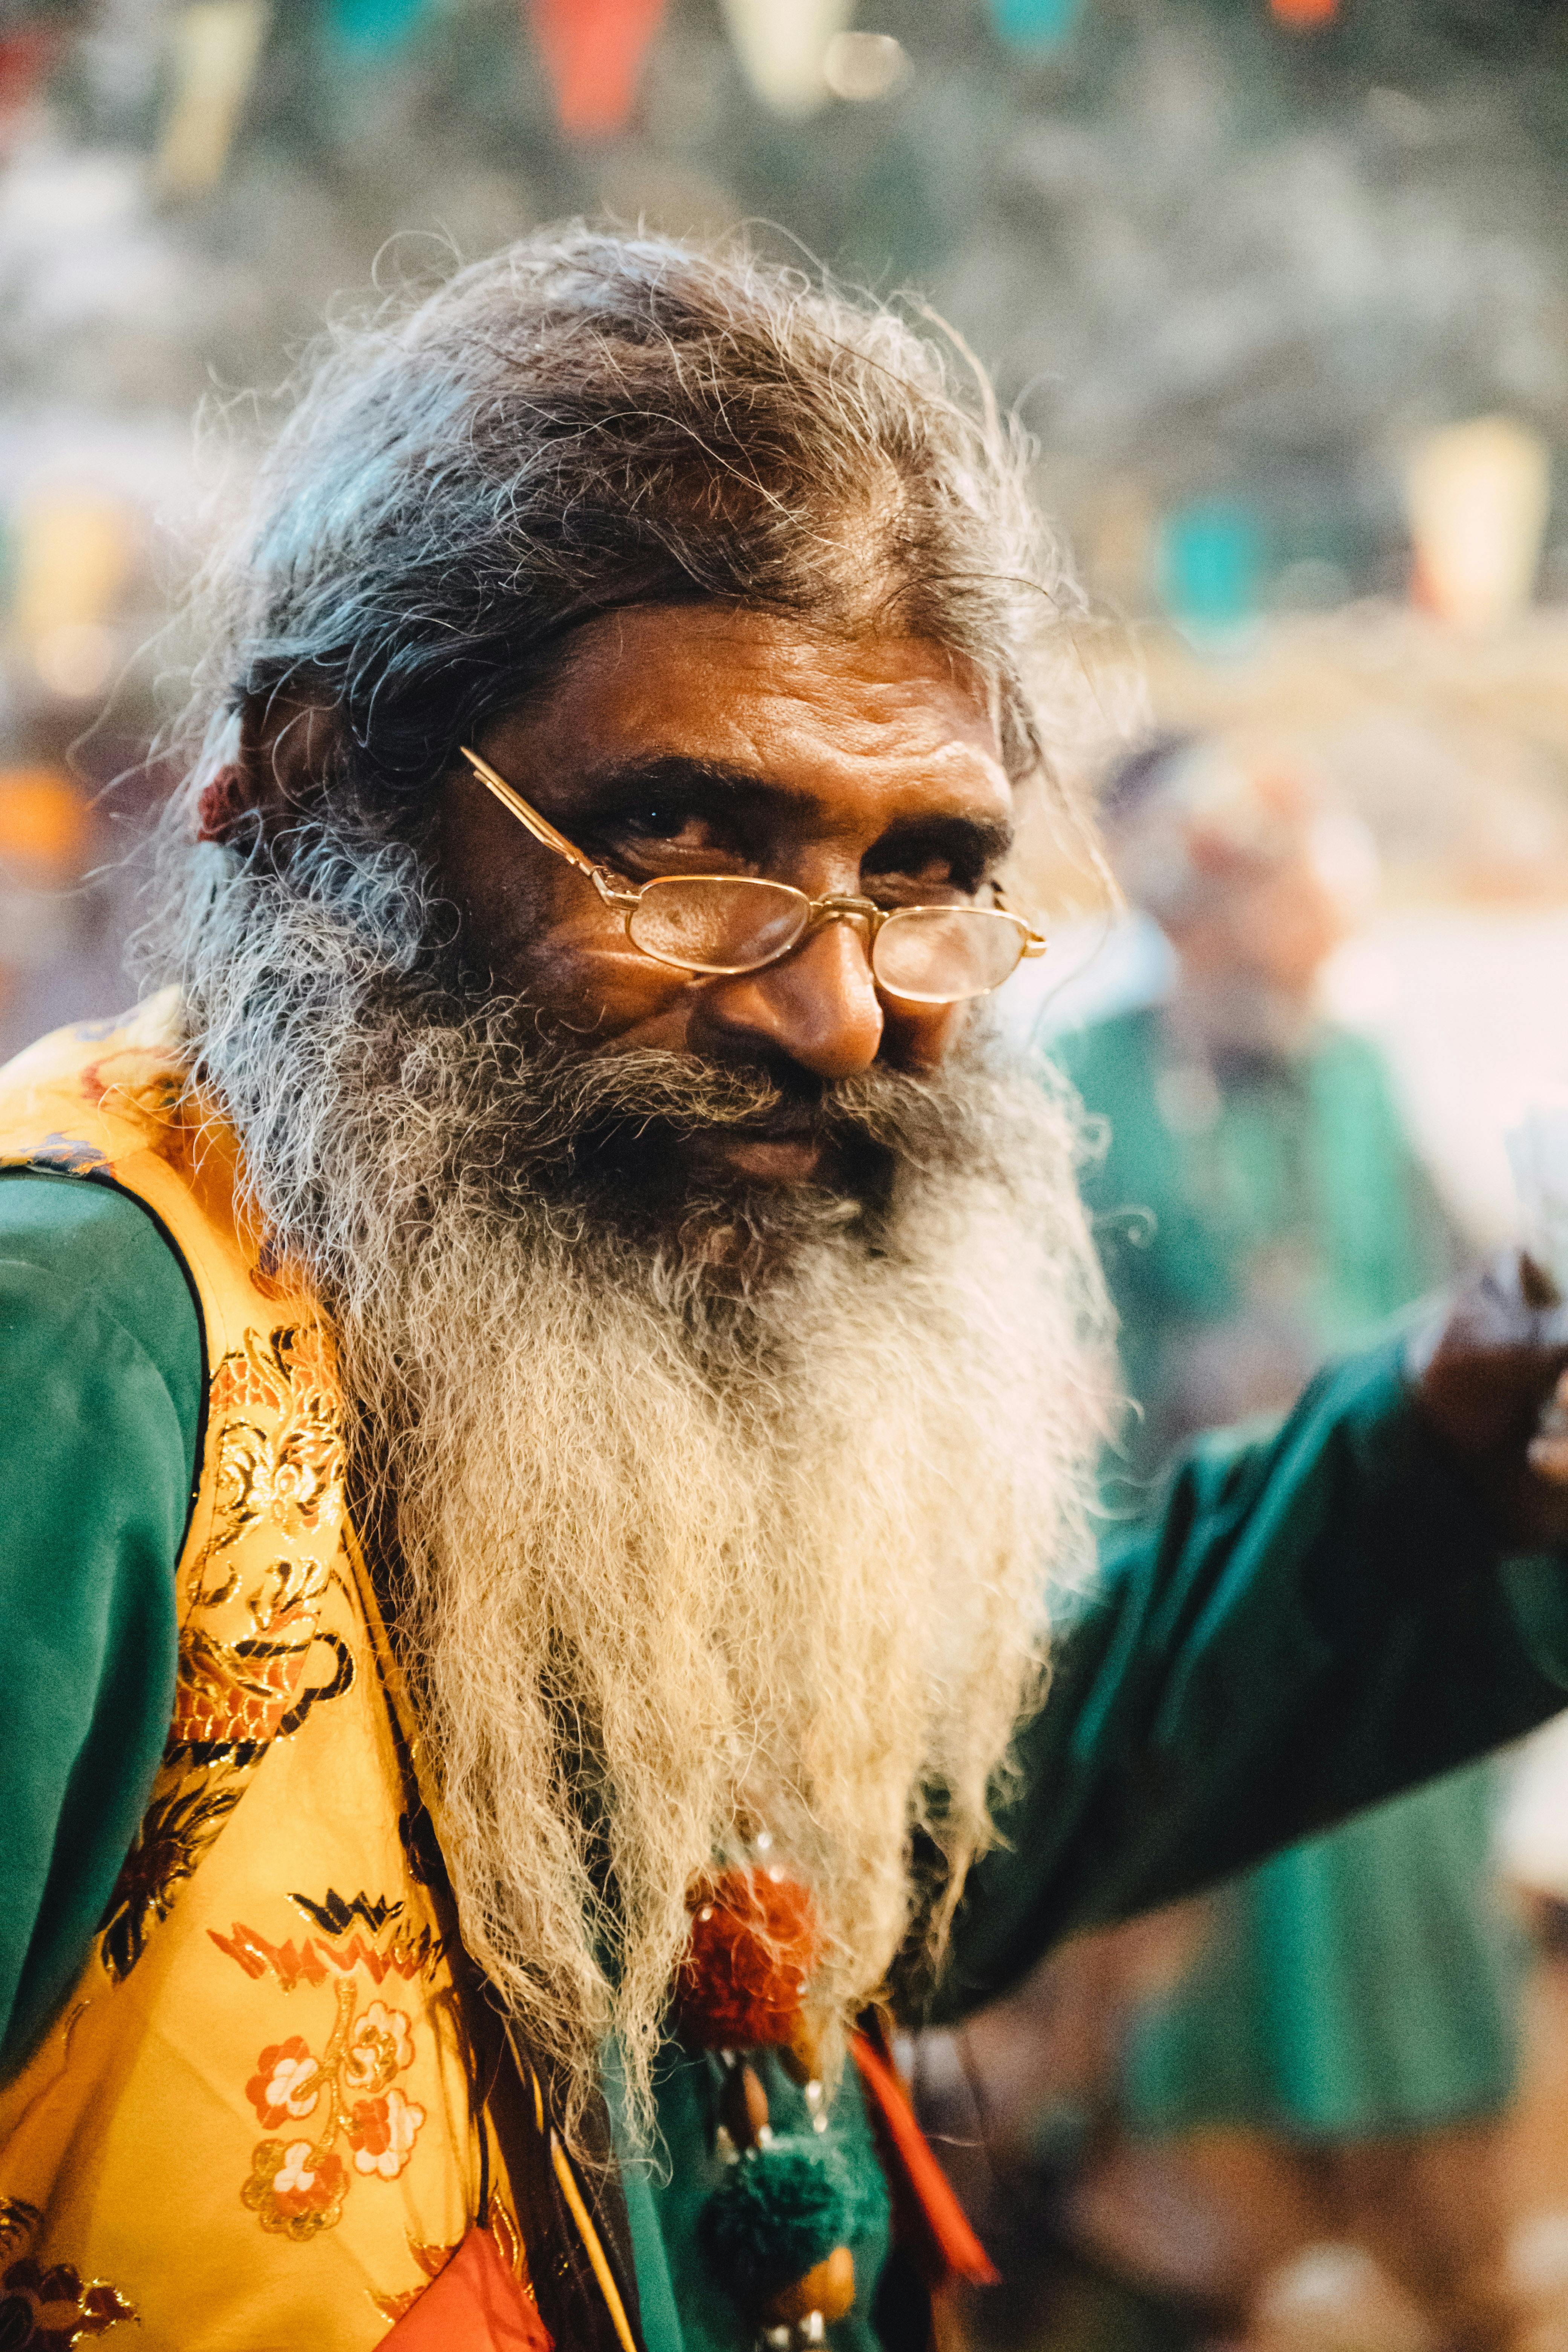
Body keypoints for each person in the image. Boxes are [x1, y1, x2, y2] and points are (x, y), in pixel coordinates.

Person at [3, 231, 1568, 2352]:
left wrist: (1437, 1477)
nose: (835, 1011)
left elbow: (872, 1857)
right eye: (681, 839)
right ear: (302, 784)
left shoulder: (586, 1322)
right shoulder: (79, 1366)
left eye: (925, 874)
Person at [1041, 738, 1527, 2350]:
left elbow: (1463, 1279)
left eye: (1318, 932)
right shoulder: (1077, 1088)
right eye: (1267, 930)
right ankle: (1199, 2247)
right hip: (1188, 1581)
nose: (1302, 965)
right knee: (1196, 1908)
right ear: (1185, 922)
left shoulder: (1360, 1072)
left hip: (1371, 1581)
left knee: (1400, 1870)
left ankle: (1431, 2231)